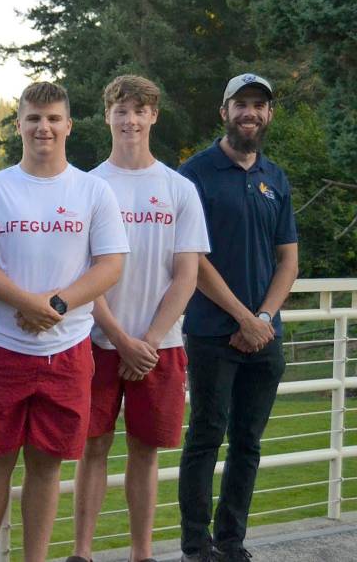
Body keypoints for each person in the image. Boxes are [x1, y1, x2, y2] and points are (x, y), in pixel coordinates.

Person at [0, 81, 129, 562]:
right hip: (1, 348)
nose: (44, 127)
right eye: (34, 118)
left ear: (69, 126)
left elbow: (110, 264)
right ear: (19, 124)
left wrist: (55, 304)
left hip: (67, 352)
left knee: (47, 465)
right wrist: (27, 303)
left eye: (54, 118)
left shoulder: (93, 190)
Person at [69, 76, 210, 562]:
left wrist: (145, 342)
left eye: (139, 110)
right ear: (107, 116)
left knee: (145, 453)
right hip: (96, 342)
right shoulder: (87, 185)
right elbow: (86, 273)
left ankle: (141, 553)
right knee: (92, 450)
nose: (130, 120)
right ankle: (82, 553)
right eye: (120, 110)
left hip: (161, 345)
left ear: (153, 116)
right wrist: (119, 338)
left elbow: (186, 275)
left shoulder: (179, 189)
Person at [177, 74, 299, 562]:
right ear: (223, 111)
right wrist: (243, 318)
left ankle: (232, 542)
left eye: (259, 105)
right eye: (241, 104)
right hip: (211, 332)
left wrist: (264, 317)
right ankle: (195, 544)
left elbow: (288, 259)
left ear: (268, 115)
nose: (250, 112)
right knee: (206, 437)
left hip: (265, 335)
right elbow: (193, 260)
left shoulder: (276, 177)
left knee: (247, 443)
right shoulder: (194, 174)